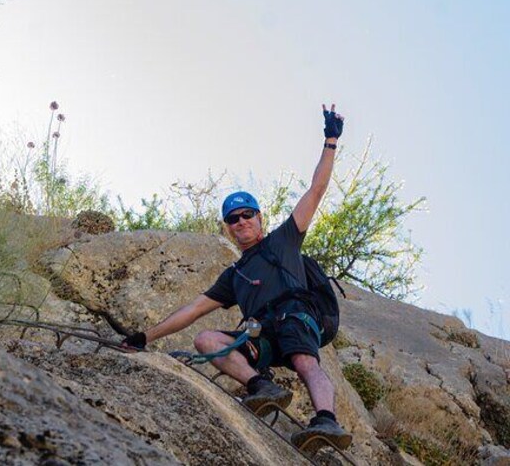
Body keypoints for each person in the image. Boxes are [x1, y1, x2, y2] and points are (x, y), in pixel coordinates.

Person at [122, 104, 351, 450]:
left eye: (247, 214)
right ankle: (263, 387)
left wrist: (330, 140)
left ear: (260, 218)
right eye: (233, 218)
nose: (241, 221)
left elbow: (316, 190)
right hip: (259, 331)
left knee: (305, 360)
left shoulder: (284, 240)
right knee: (206, 340)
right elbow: (192, 310)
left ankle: (326, 421)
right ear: (228, 228)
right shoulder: (235, 274)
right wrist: (145, 337)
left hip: (294, 315)